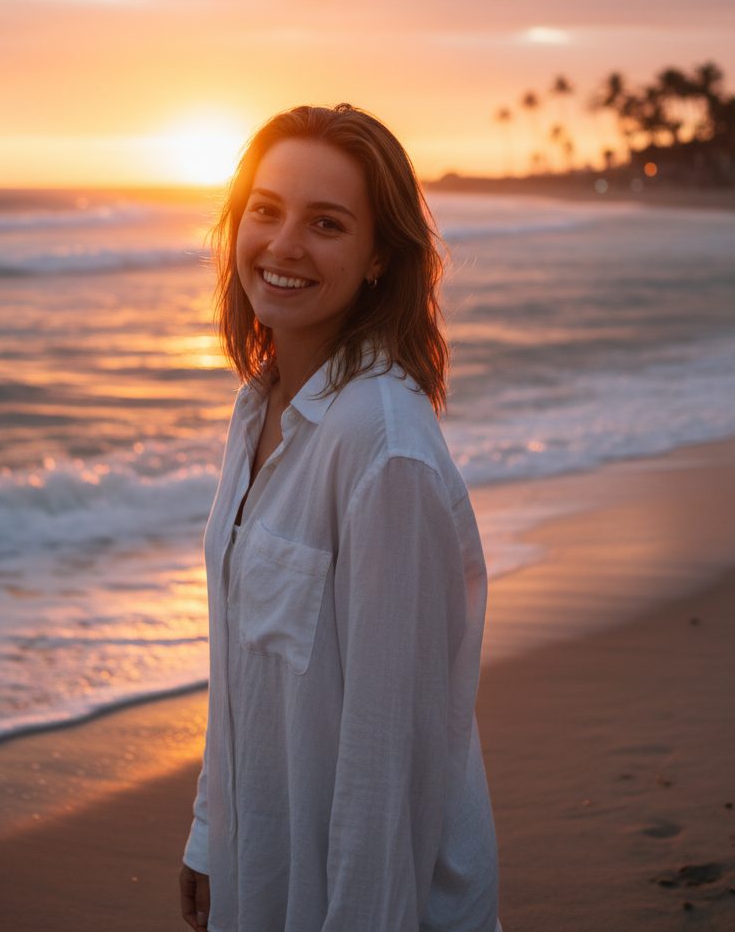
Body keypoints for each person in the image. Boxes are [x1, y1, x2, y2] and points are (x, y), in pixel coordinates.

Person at [179, 104, 501, 932]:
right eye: (266, 210)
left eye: (326, 224)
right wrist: (212, 834)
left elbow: (387, 758)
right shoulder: (258, 409)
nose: (283, 245)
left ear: (378, 257)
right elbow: (243, 658)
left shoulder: (383, 449)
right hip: (266, 875)